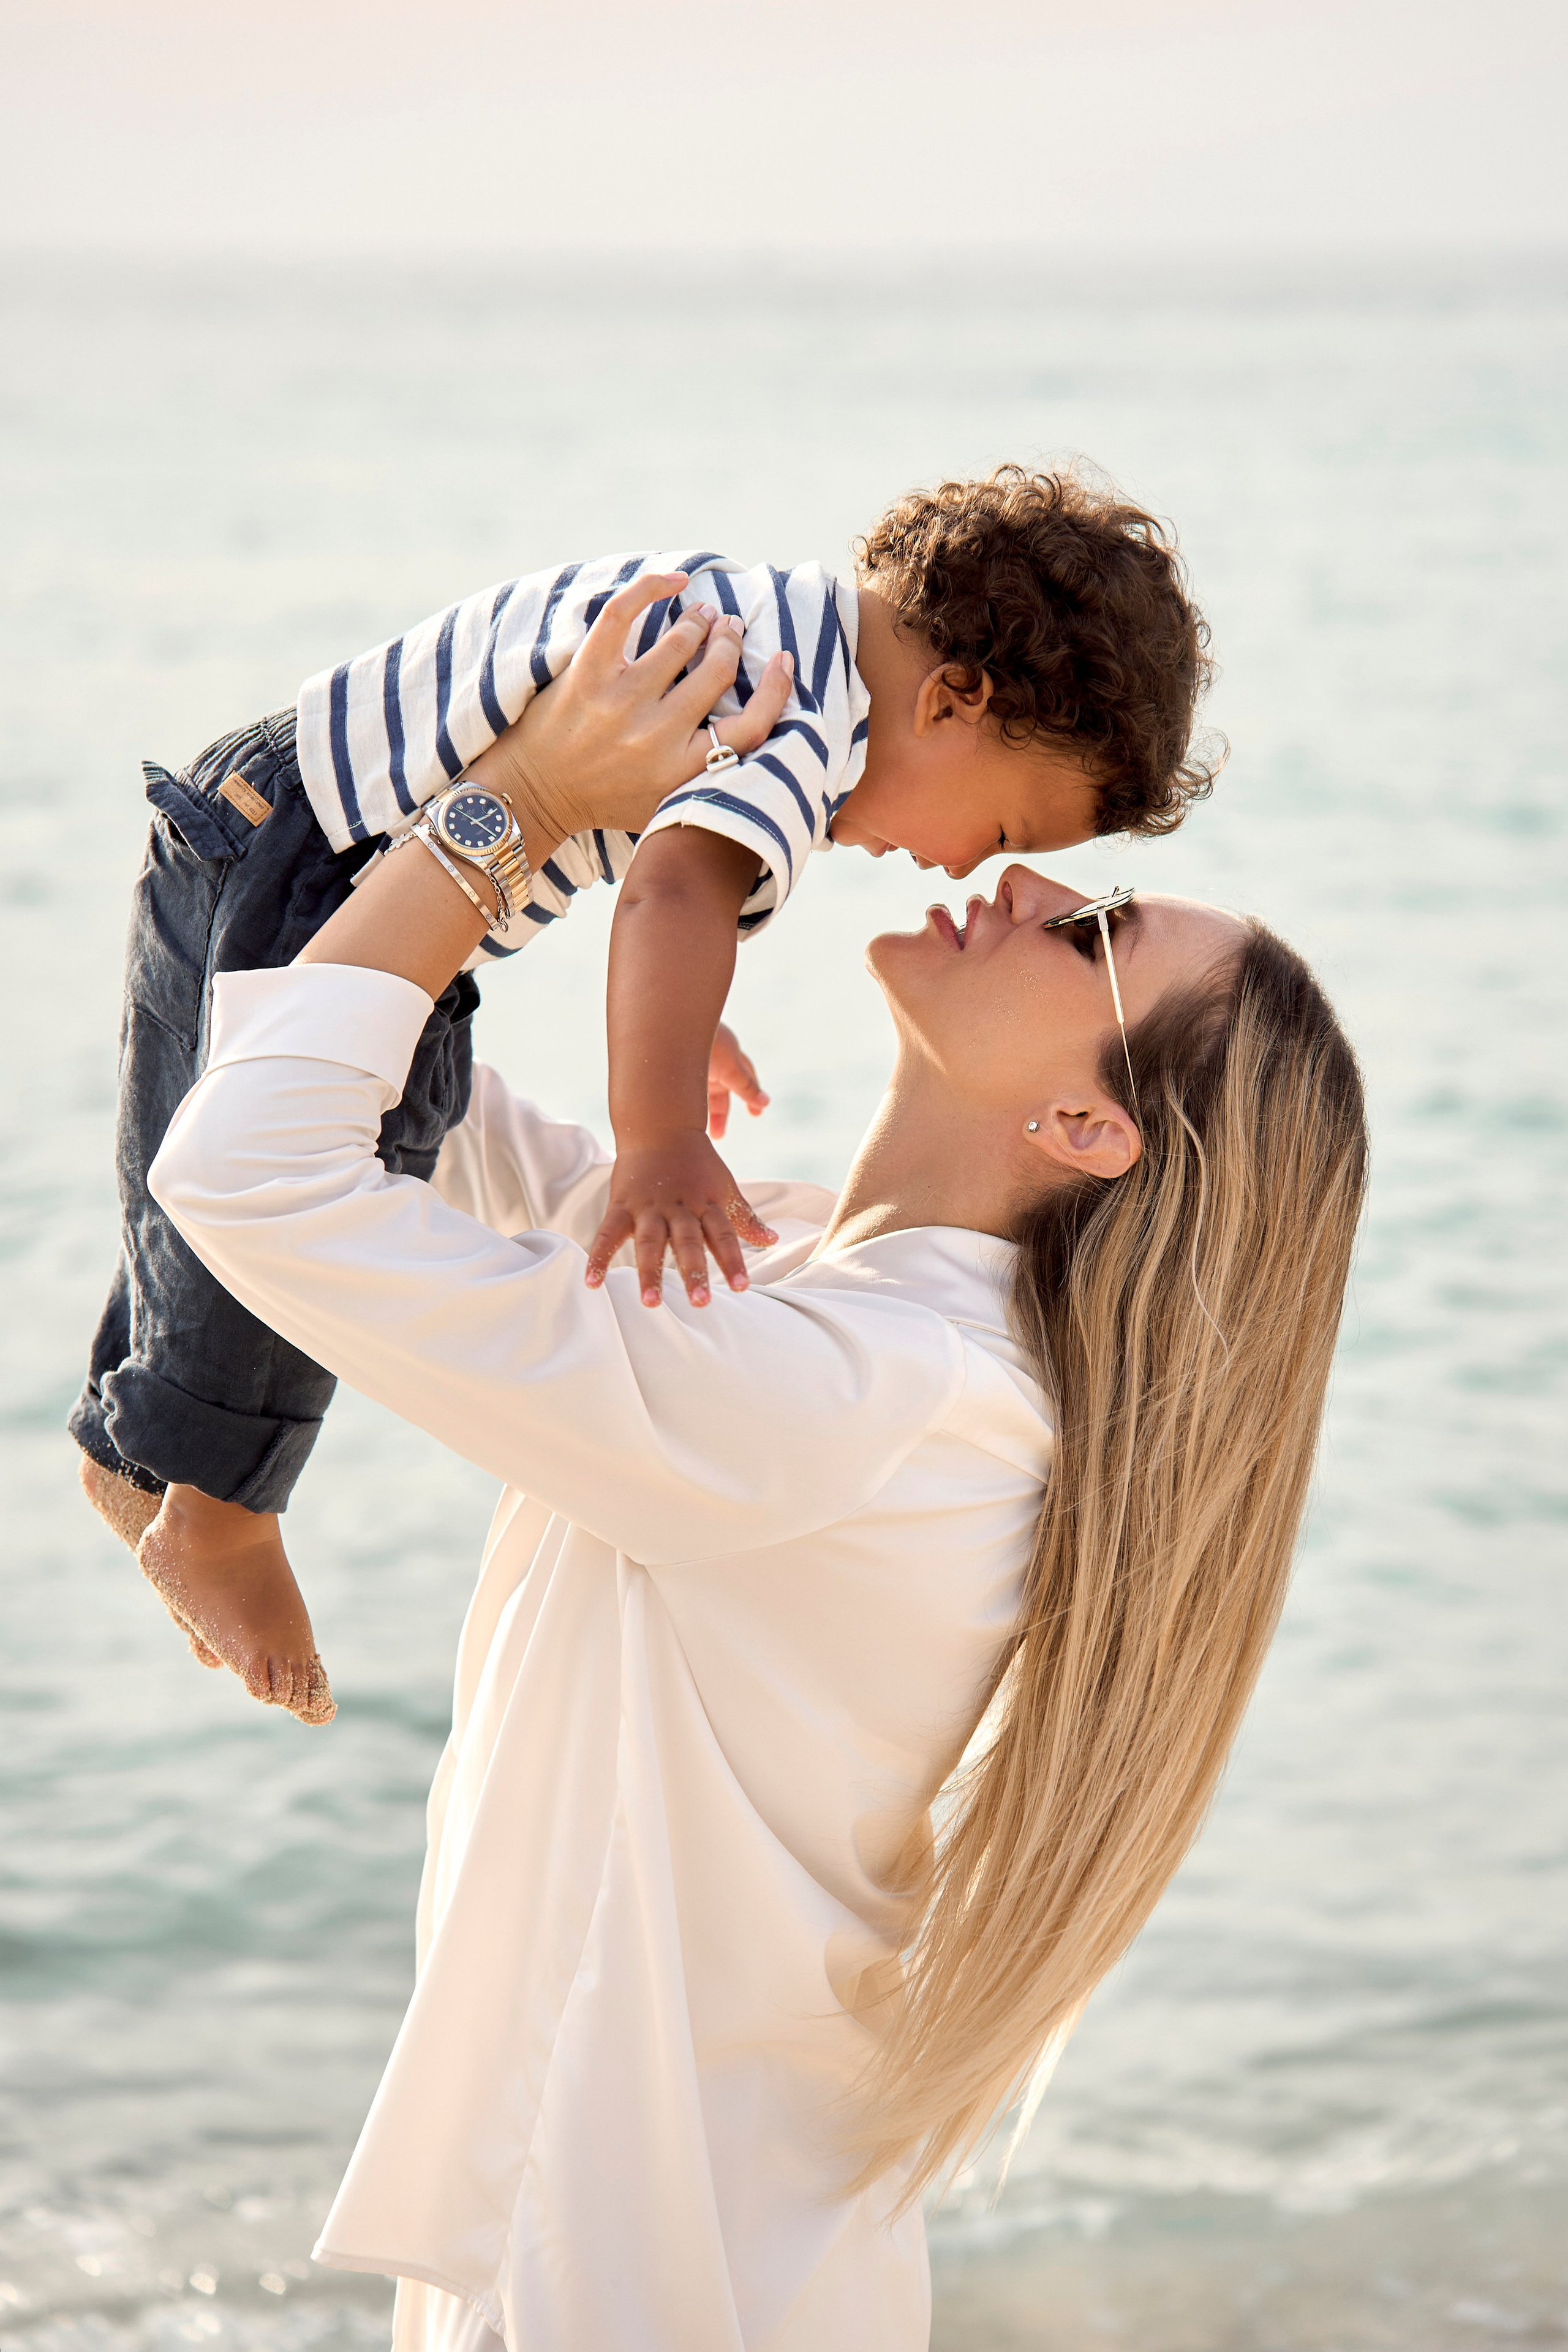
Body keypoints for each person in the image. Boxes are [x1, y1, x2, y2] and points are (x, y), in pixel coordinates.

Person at [146, 605, 1367, 2351]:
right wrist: (433, 806)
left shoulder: (860, 1399)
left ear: (1089, 1131)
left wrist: (510, 800)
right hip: (697, 2232)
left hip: (639, 2261)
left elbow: (256, 1167)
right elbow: (390, 1102)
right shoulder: (831, 1301)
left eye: (1087, 927)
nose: (1027, 886)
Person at [72, 467, 1220, 1726]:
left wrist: (690, 1022)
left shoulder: (769, 628)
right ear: (952, 701)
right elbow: (670, 899)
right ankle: (221, 1518)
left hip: (263, 808)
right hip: (322, 855)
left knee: (212, 1115)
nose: (956, 868)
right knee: (355, 1129)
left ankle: (133, 1444)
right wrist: (660, 1134)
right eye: (997, 829)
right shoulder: (795, 723)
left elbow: (673, 897)